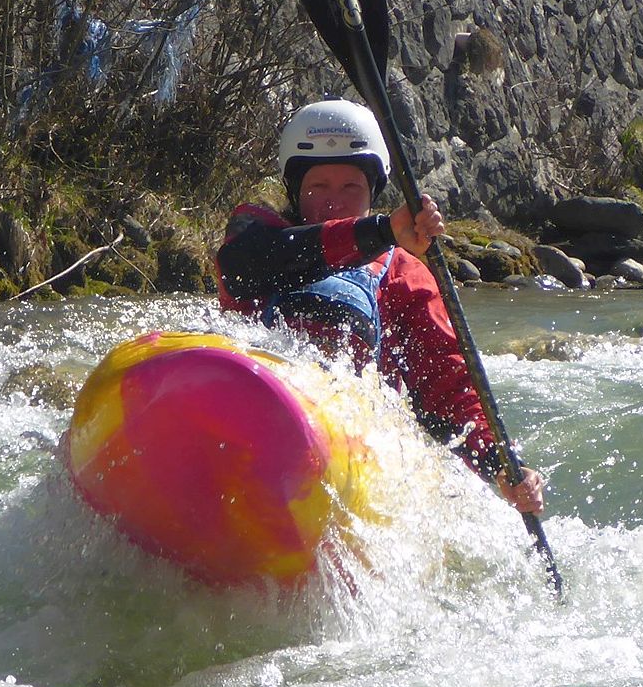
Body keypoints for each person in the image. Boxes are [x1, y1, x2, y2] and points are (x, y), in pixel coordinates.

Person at [215, 98, 546, 517]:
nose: (333, 203)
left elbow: (447, 387)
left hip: (337, 452)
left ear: (372, 191)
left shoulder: (404, 277)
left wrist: (502, 465)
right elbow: (245, 270)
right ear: (295, 192)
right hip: (248, 418)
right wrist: (381, 230)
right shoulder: (258, 234)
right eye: (318, 187)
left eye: (350, 187)